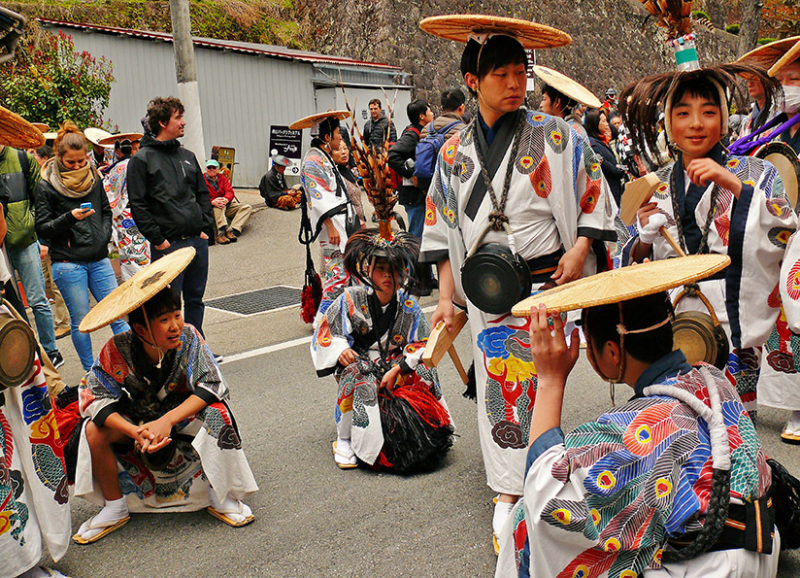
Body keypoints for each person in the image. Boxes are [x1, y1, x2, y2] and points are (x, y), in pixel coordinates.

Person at [418, 15, 617, 559]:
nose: (515, 84)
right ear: (474, 81)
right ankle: (509, 489)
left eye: (519, 73)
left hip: (546, 278)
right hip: (486, 284)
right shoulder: (453, 150)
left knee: (537, 377)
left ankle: (534, 473)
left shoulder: (557, 134)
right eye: (501, 73)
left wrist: (580, 250)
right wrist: (443, 296)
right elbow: (440, 224)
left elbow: (593, 195)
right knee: (500, 385)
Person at [497, 258, 780, 578]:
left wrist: (550, 380)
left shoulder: (640, 424)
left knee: (525, 517)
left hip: (709, 566)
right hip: (759, 546)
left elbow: (545, 496)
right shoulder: (710, 376)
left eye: (591, 345)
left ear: (612, 352)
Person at [618, 63, 795, 421]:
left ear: (725, 120)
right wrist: (645, 237)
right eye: (683, 113)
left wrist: (732, 184)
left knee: (733, 427)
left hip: (734, 321)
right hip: (676, 323)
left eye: (708, 112)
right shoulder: (655, 183)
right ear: (669, 123)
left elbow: (786, 233)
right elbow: (629, 259)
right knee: (679, 423)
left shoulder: (758, 172)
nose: (696, 124)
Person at [55, 248, 258, 544]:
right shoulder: (116, 349)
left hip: (180, 418)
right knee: (93, 430)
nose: (175, 324)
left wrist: (166, 420)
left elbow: (212, 384)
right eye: (164, 319)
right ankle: (115, 506)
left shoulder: (189, 337)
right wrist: (134, 431)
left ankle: (220, 493)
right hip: (138, 423)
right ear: (140, 328)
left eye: (177, 314)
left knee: (218, 413)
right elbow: (94, 397)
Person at [311, 228, 453, 471]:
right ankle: (344, 439)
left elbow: (422, 345)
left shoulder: (410, 307)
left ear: (404, 273)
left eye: (395, 271)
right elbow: (326, 332)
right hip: (362, 361)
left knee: (425, 372)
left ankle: (432, 426)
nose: (388, 276)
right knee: (357, 376)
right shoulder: (350, 298)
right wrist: (340, 349)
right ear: (368, 271)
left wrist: (400, 368)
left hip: (395, 362)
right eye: (381, 270)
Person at [35, 121, 130, 371]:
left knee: (118, 315)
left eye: (81, 161)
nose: (78, 166)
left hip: (98, 258)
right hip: (68, 263)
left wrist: (103, 233)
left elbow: (106, 210)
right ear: (59, 157)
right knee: (81, 323)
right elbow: (43, 227)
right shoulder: (47, 185)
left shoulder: (93, 177)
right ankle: (92, 373)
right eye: (71, 162)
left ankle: (131, 367)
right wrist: (70, 217)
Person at [128, 96, 214, 340]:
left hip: (197, 241)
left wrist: (204, 229)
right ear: (163, 122)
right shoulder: (142, 159)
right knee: (170, 306)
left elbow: (202, 194)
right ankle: (172, 351)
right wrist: (159, 240)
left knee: (196, 299)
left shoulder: (187, 155)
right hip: (169, 246)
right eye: (178, 117)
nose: (184, 122)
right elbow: (139, 205)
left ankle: (197, 347)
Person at [0, 139, 64, 368]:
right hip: (1, 248)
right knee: (9, 305)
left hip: (25, 240)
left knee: (37, 301)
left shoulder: (22, 158)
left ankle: (51, 351)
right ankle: (27, 354)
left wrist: (41, 237)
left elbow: (41, 201)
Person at [292, 110, 353, 313]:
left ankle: (343, 318)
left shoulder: (322, 157)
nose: (340, 139)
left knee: (347, 273)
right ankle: (323, 322)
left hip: (342, 221)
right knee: (337, 276)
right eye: (338, 134)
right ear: (327, 138)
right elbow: (318, 198)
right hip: (332, 225)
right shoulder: (312, 161)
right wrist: (330, 225)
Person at [100, 132, 151, 281]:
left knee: (131, 255)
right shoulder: (141, 163)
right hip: (144, 211)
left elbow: (110, 192)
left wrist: (102, 178)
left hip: (126, 213)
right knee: (143, 253)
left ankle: (136, 288)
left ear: (117, 150)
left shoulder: (119, 168)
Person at [388, 99, 434, 238]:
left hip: (419, 194)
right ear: (422, 116)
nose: (432, 113)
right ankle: (411, 260)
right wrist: (411, 174)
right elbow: (392, 155)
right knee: (416, 235)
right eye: (429, 110)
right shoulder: (412, 135)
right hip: (413, 195)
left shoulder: (422, 132)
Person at [534, 65, 600, 138]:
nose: (541, 105)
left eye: (544, 99)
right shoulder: (571, 127)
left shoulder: (568, 132)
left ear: (557, 103)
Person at [204, 159, 252, 245]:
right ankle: (221, 232)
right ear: (206, 169)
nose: (211, 169)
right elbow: (199, 196)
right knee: (218, 206)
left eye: (213, 167)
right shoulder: (202, 180)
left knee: (247, 207)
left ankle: (232, 229)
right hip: (211, 208)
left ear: (217, 169)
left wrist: (226, 199)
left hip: (226, 205)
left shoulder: (222, 178)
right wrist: (212, 202)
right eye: (209, 167)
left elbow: (229, 191)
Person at [585, 108, 626, 205]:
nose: (607, 124)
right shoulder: (593, 143)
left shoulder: (602, 140)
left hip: (615, 188)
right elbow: (603, 162)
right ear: (595, 124)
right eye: (603, 121)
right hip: (606, 190)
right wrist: (618, 170)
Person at [331, 140, 365, 226]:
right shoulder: (332, 176)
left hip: (358, 223)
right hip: (345, 225)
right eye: (338, 149)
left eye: (345, 148)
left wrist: (362, 218)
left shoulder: (348, 171)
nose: (343, 152)